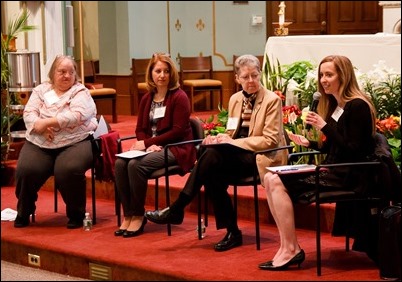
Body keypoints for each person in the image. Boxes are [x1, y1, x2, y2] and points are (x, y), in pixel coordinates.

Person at [145, 54, 288, 251]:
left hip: (261, 157)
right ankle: (232, 232)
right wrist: (218, 138)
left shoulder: (271, 100)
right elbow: (231, 131)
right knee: (211, 167)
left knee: (210, 158)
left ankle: (178, 208)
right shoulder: (236, 99)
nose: (251, 81)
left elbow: (269, 140)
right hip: (236, 155)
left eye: (255, 76)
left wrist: (233, 142)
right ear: (237, 78)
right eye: (245, 77)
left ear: (260, 74)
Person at [259, 55, 378, 271]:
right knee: (269, 177)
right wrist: (311, 142)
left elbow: (354, 149)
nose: (323, 80)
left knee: (275, 181)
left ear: (343, 76)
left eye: (329, 74)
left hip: (349, 177)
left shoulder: (357, 105)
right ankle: (287, 246)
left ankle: (291, 249)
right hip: (335, 170)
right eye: (321, 74)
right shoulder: (338, 105)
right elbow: (336, 145)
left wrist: (323, 125)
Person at [114, 52, 196, 238]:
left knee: (136, 165)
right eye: (158, 71)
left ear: (171, 74)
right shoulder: (147, 98)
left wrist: (150, 143)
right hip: (154, 148)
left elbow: (177, 131)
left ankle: (138, 214)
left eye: (166, 71)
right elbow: (140, 129)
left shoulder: (179, 97)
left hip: (177, 148)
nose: (162, 75)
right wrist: (147, 145)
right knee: (120, 164)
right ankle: (128, 214)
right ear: (151, 73)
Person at [14, 55, 98, 229]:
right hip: (41, 141)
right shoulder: (41, 90)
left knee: (68, 169)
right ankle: (24, 210)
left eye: (71, 72)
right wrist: (40, 126)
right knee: (26, 170)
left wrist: (48, 122)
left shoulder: (80, 92)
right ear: (53, 73)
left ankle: (76, 214)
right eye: (62, 71)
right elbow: (29, 113)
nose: (67, 76)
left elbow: (77, 116)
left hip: (75, 141)